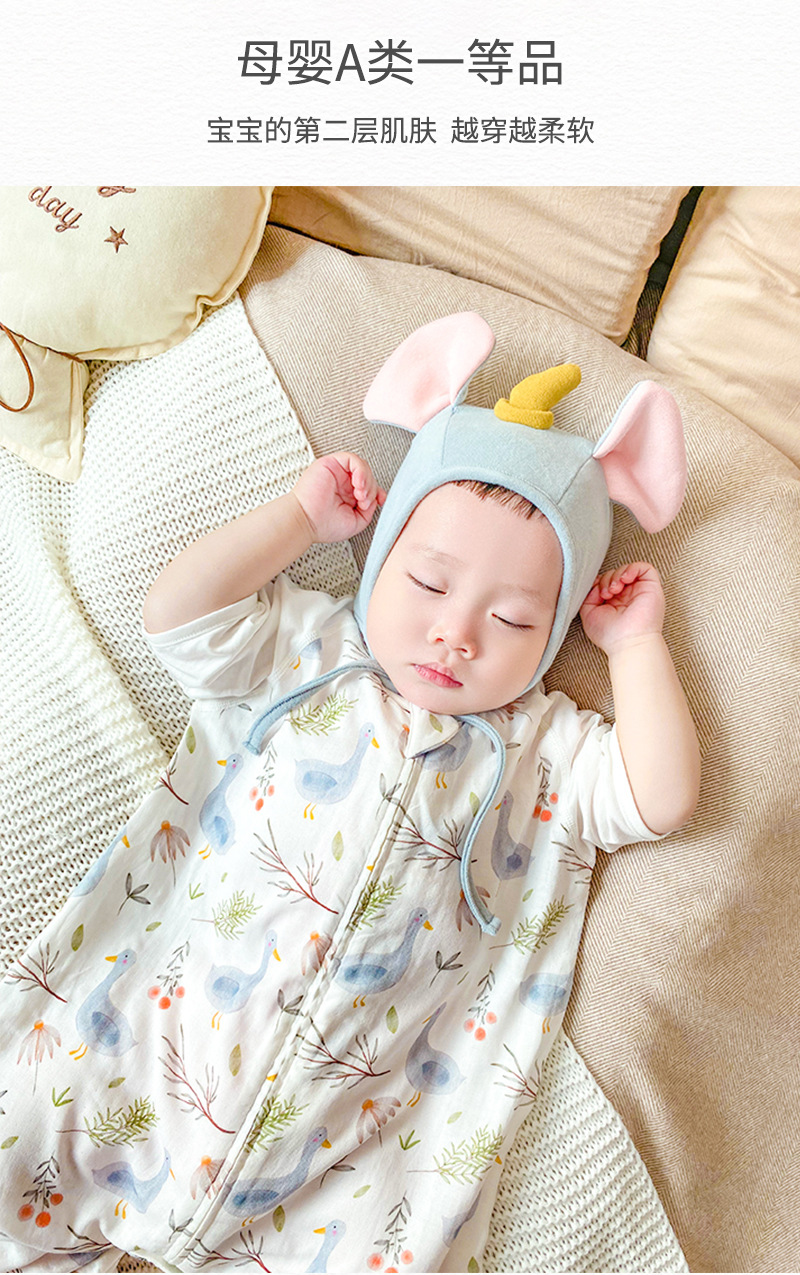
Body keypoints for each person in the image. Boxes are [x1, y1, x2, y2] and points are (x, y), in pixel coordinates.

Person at [0, 313, 700, 1274]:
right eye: (429, 583)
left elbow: (662, 795)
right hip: (151, 1044)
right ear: (382, 556)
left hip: (353, 1154)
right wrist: (298, 521)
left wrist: (636, 647)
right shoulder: (305, 650)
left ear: (556, 628)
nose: (457, 633)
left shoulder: (549, 755)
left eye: (511, 619)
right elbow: (177, 611)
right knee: (29, 1126)